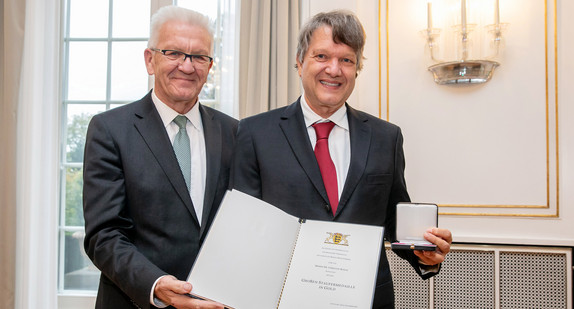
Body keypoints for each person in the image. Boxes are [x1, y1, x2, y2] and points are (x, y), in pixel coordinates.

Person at [232, 10, 452, 308]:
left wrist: (425, 253)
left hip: (368, 299)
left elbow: (393, 220)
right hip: (282, 298)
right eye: (321, 56)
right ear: (299, 62)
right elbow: (244, 227)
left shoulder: (386, 137)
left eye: (346, 60)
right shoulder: (255, 132)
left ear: (357, 69)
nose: (334, 70)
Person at [83, 6, 236, 309]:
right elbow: (104, 234)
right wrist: (154, 284)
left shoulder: (234, 132)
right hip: (136, 301)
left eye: (199, 56)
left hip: (215, 303)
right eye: (174, 52)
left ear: (210, 66)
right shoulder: (110, 130)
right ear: (150, 60)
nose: (187, 66)